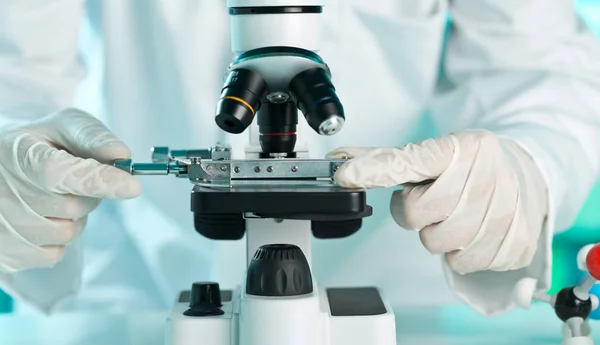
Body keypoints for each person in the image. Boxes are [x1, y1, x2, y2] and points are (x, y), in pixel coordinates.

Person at [0, 0, 599, 316]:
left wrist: (527, 171)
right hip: (136, 292)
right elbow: (14, 78)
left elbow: (537, 73)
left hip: (402, 294)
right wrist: (12, 161)